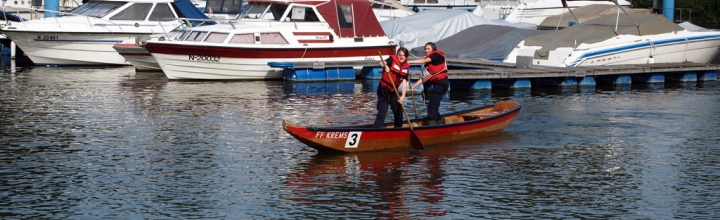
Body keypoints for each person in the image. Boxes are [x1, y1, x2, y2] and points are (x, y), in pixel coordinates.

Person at [408, 42, 448, 125]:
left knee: (431, 106)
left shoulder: (436, 55)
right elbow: (424, 78)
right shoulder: (430, 64)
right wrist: (413, 87)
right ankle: (441, 122)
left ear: (433, 49)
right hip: (437, 83)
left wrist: (409, 62)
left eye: (428, 49)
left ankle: (432, 124)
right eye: (425, 49)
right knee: (433, 106)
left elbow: (423, 60)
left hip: (441, 83)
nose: (426, 50)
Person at [373, 47, 410, 128]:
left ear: (406, 57)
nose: (401, 57)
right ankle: (376, 130)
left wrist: (403, 96)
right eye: (399, 55)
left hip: (393, 91)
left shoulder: (406, 67)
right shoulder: (392, 60)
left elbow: (404, 83)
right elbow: (381, 63)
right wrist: (385, 66)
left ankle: (398, 129)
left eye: (403, 55)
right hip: (383, 90)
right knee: (383, 112)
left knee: (399, 112)